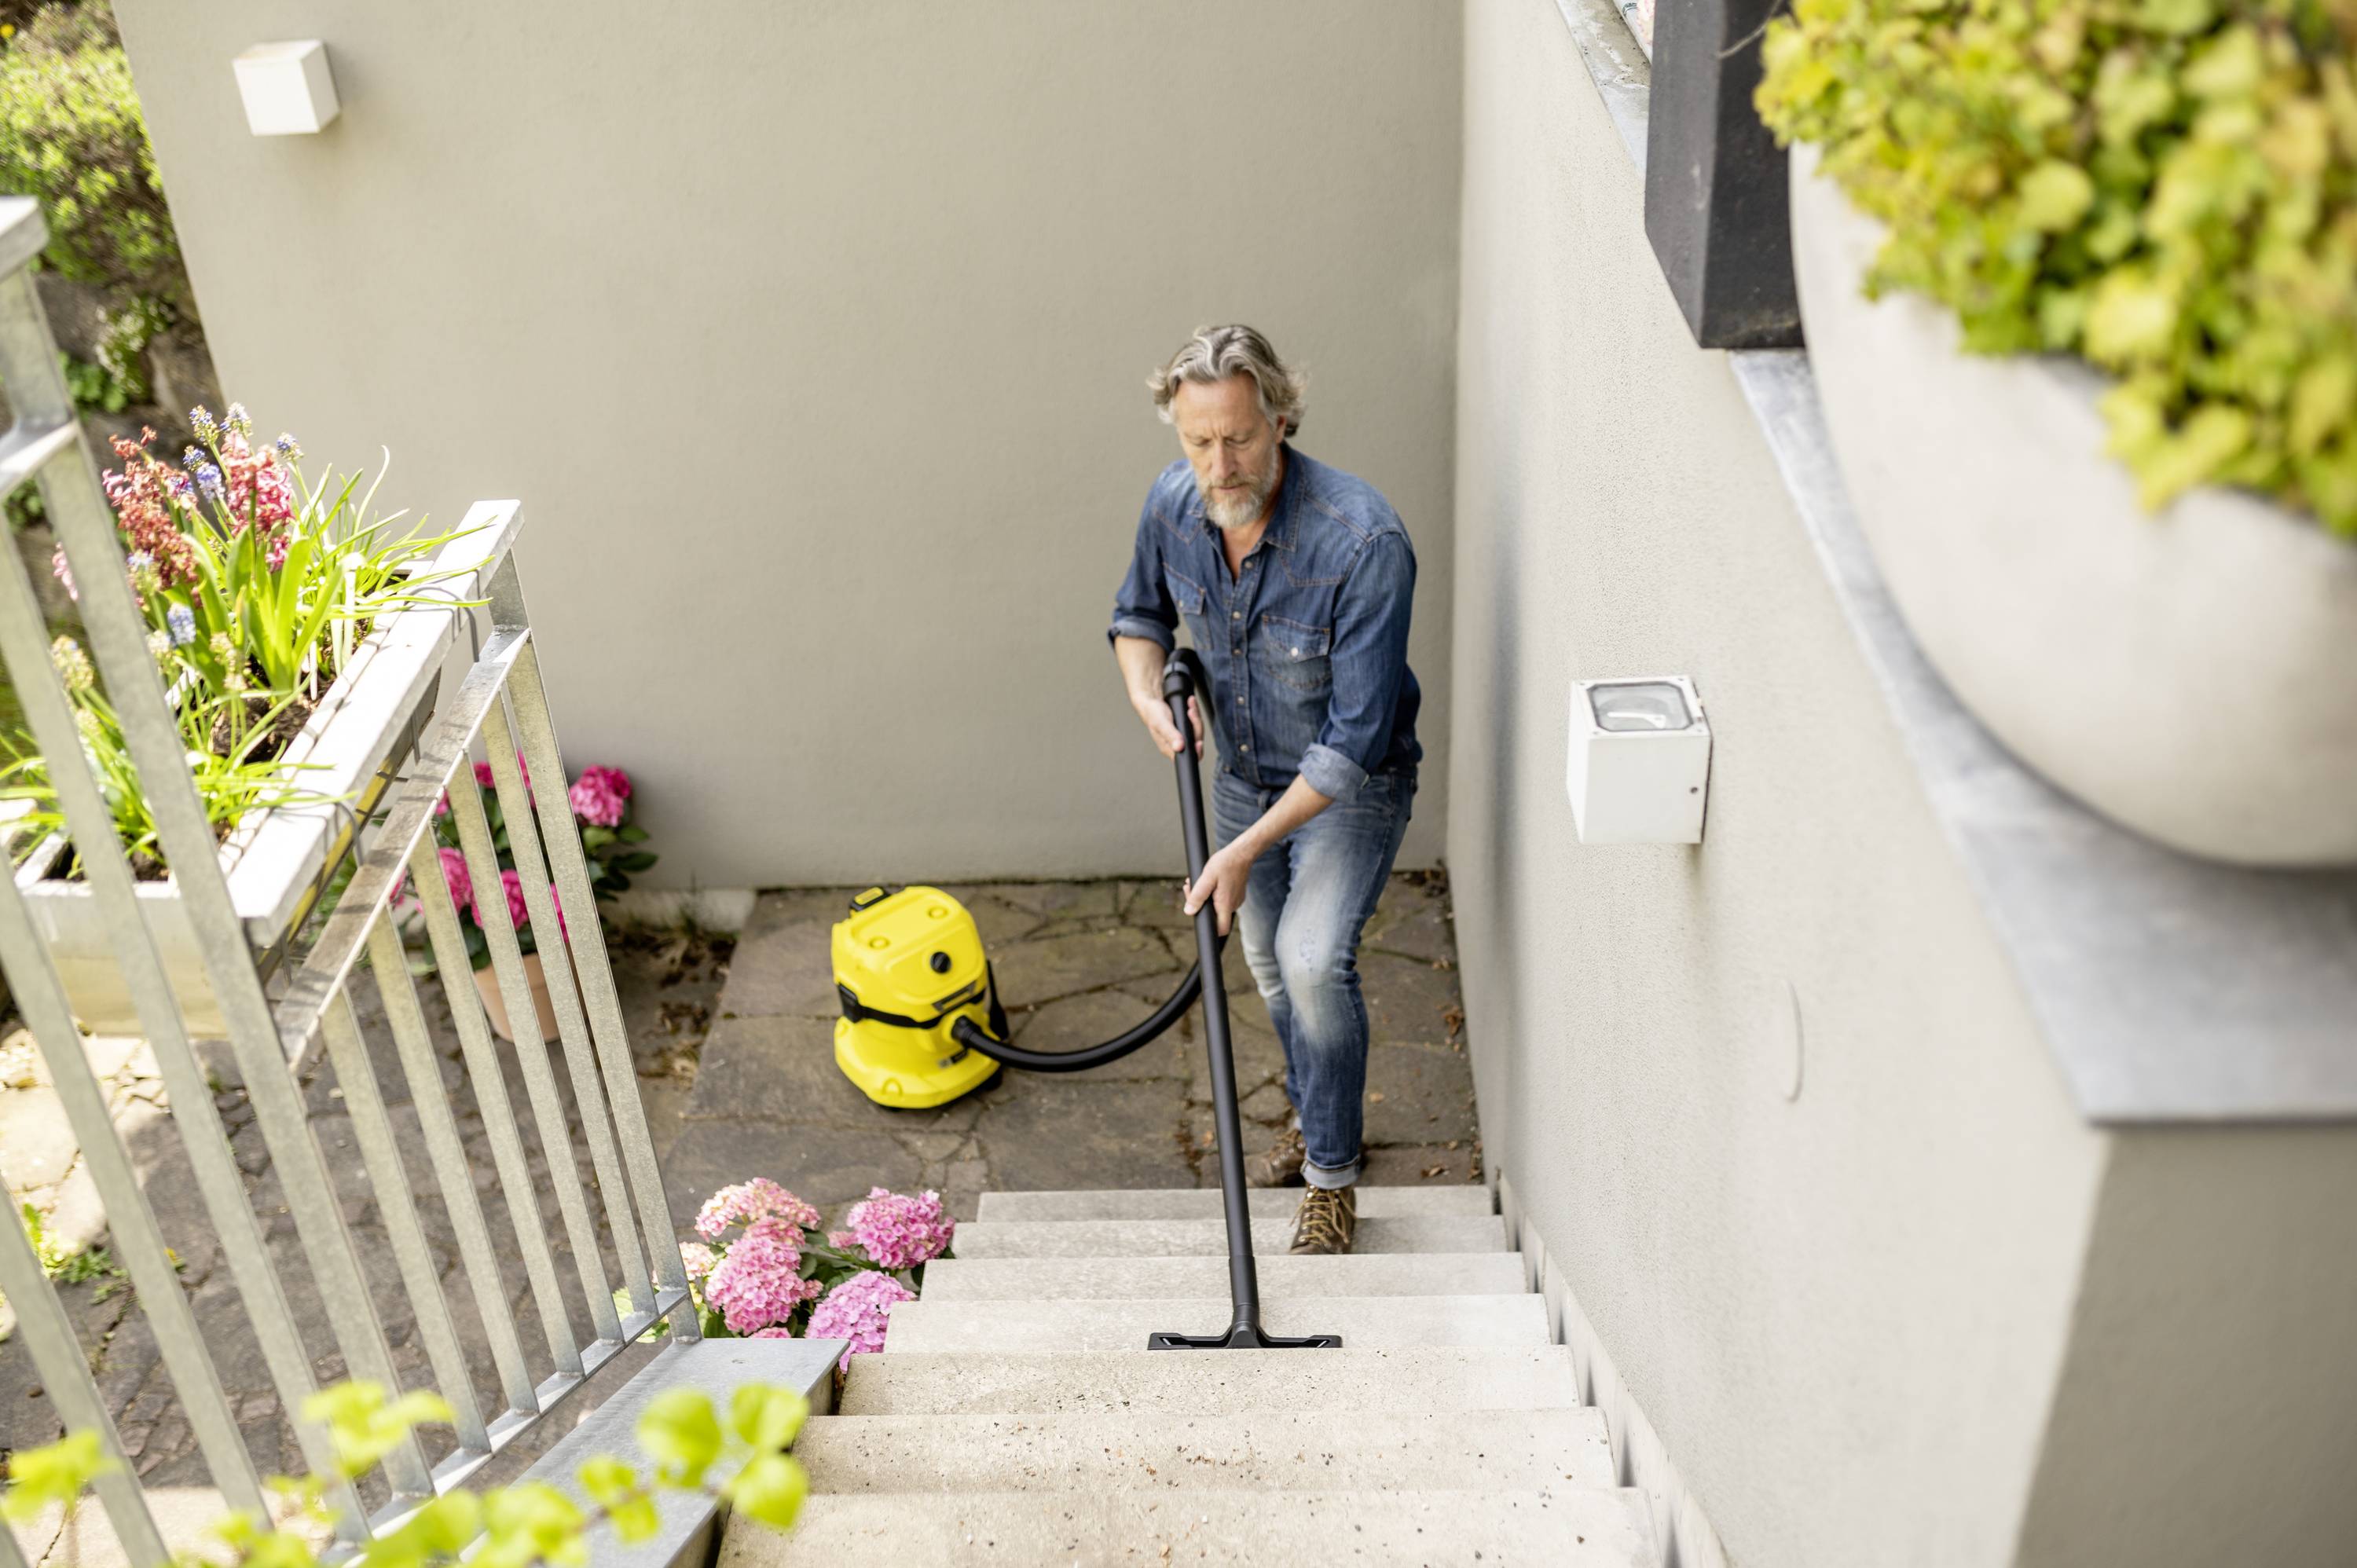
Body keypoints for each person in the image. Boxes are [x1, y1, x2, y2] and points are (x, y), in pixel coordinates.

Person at [1108, 324, 1421, 1256]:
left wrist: (1235, 851)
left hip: (1349, 783)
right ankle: (1320, 1116)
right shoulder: (1175, 503)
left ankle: (1332, 1177)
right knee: (1276, 971)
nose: (1220, 461)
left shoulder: (1363, 541)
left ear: (1281, 418)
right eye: (1199, 441)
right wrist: (1149, 699)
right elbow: (1138, 616)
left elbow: (1355, 738)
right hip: (1243, 775)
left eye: (1238, 437)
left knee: (1316, 959)